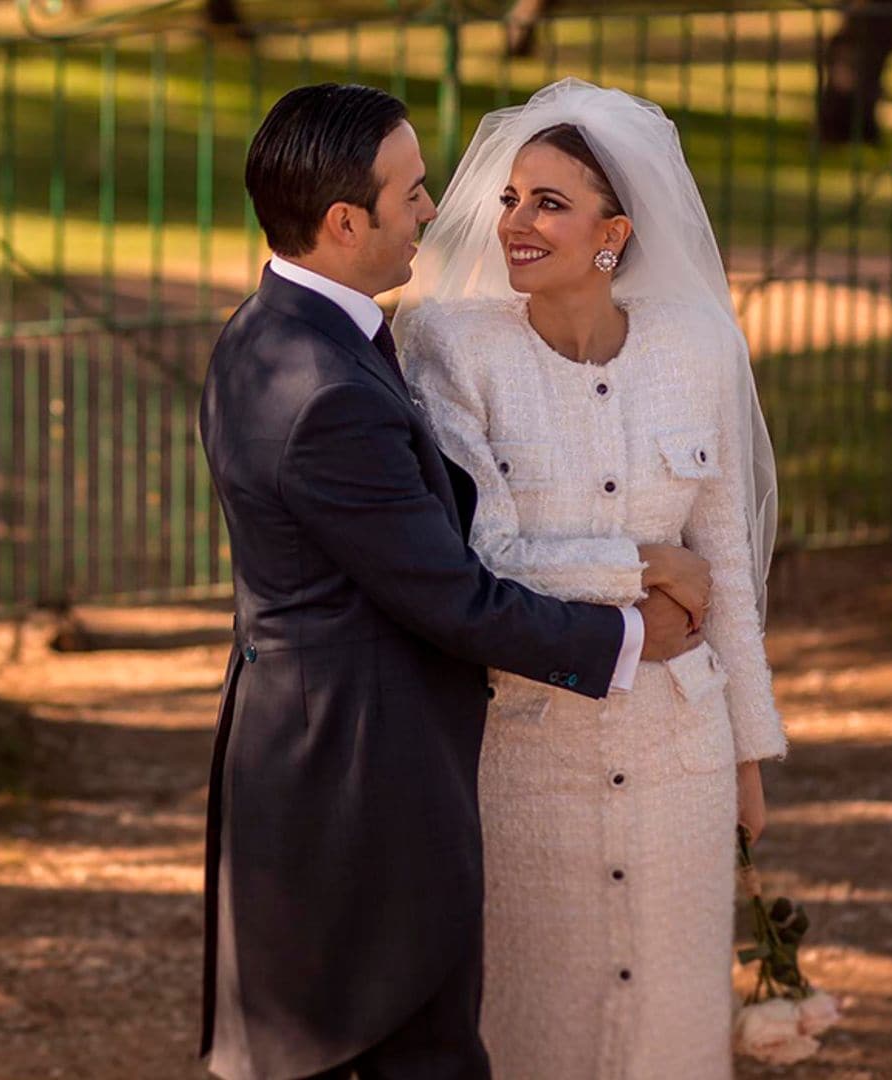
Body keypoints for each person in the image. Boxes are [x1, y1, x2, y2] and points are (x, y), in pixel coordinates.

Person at [196, 82, 707, 1080]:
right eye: (413, 191)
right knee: (400, 1049)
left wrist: (616, 558)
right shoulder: (325, 389)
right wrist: (632, 635)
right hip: (358, 780)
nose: (436, 209)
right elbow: (450, 595)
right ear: (348, 221)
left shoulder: (275, 333)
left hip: (315, 753)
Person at [395, 78, 787, 1079]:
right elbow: (484, 563)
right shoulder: (454, 348)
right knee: (533, 1028)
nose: (514, 223)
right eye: (512, 198)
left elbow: (728, 574)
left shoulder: (696, 347)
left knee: (673, 1031)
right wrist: (645, 566)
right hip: (525, 763)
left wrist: (746, 757)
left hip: (683, 762)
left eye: (549, 204)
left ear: (613, 231)